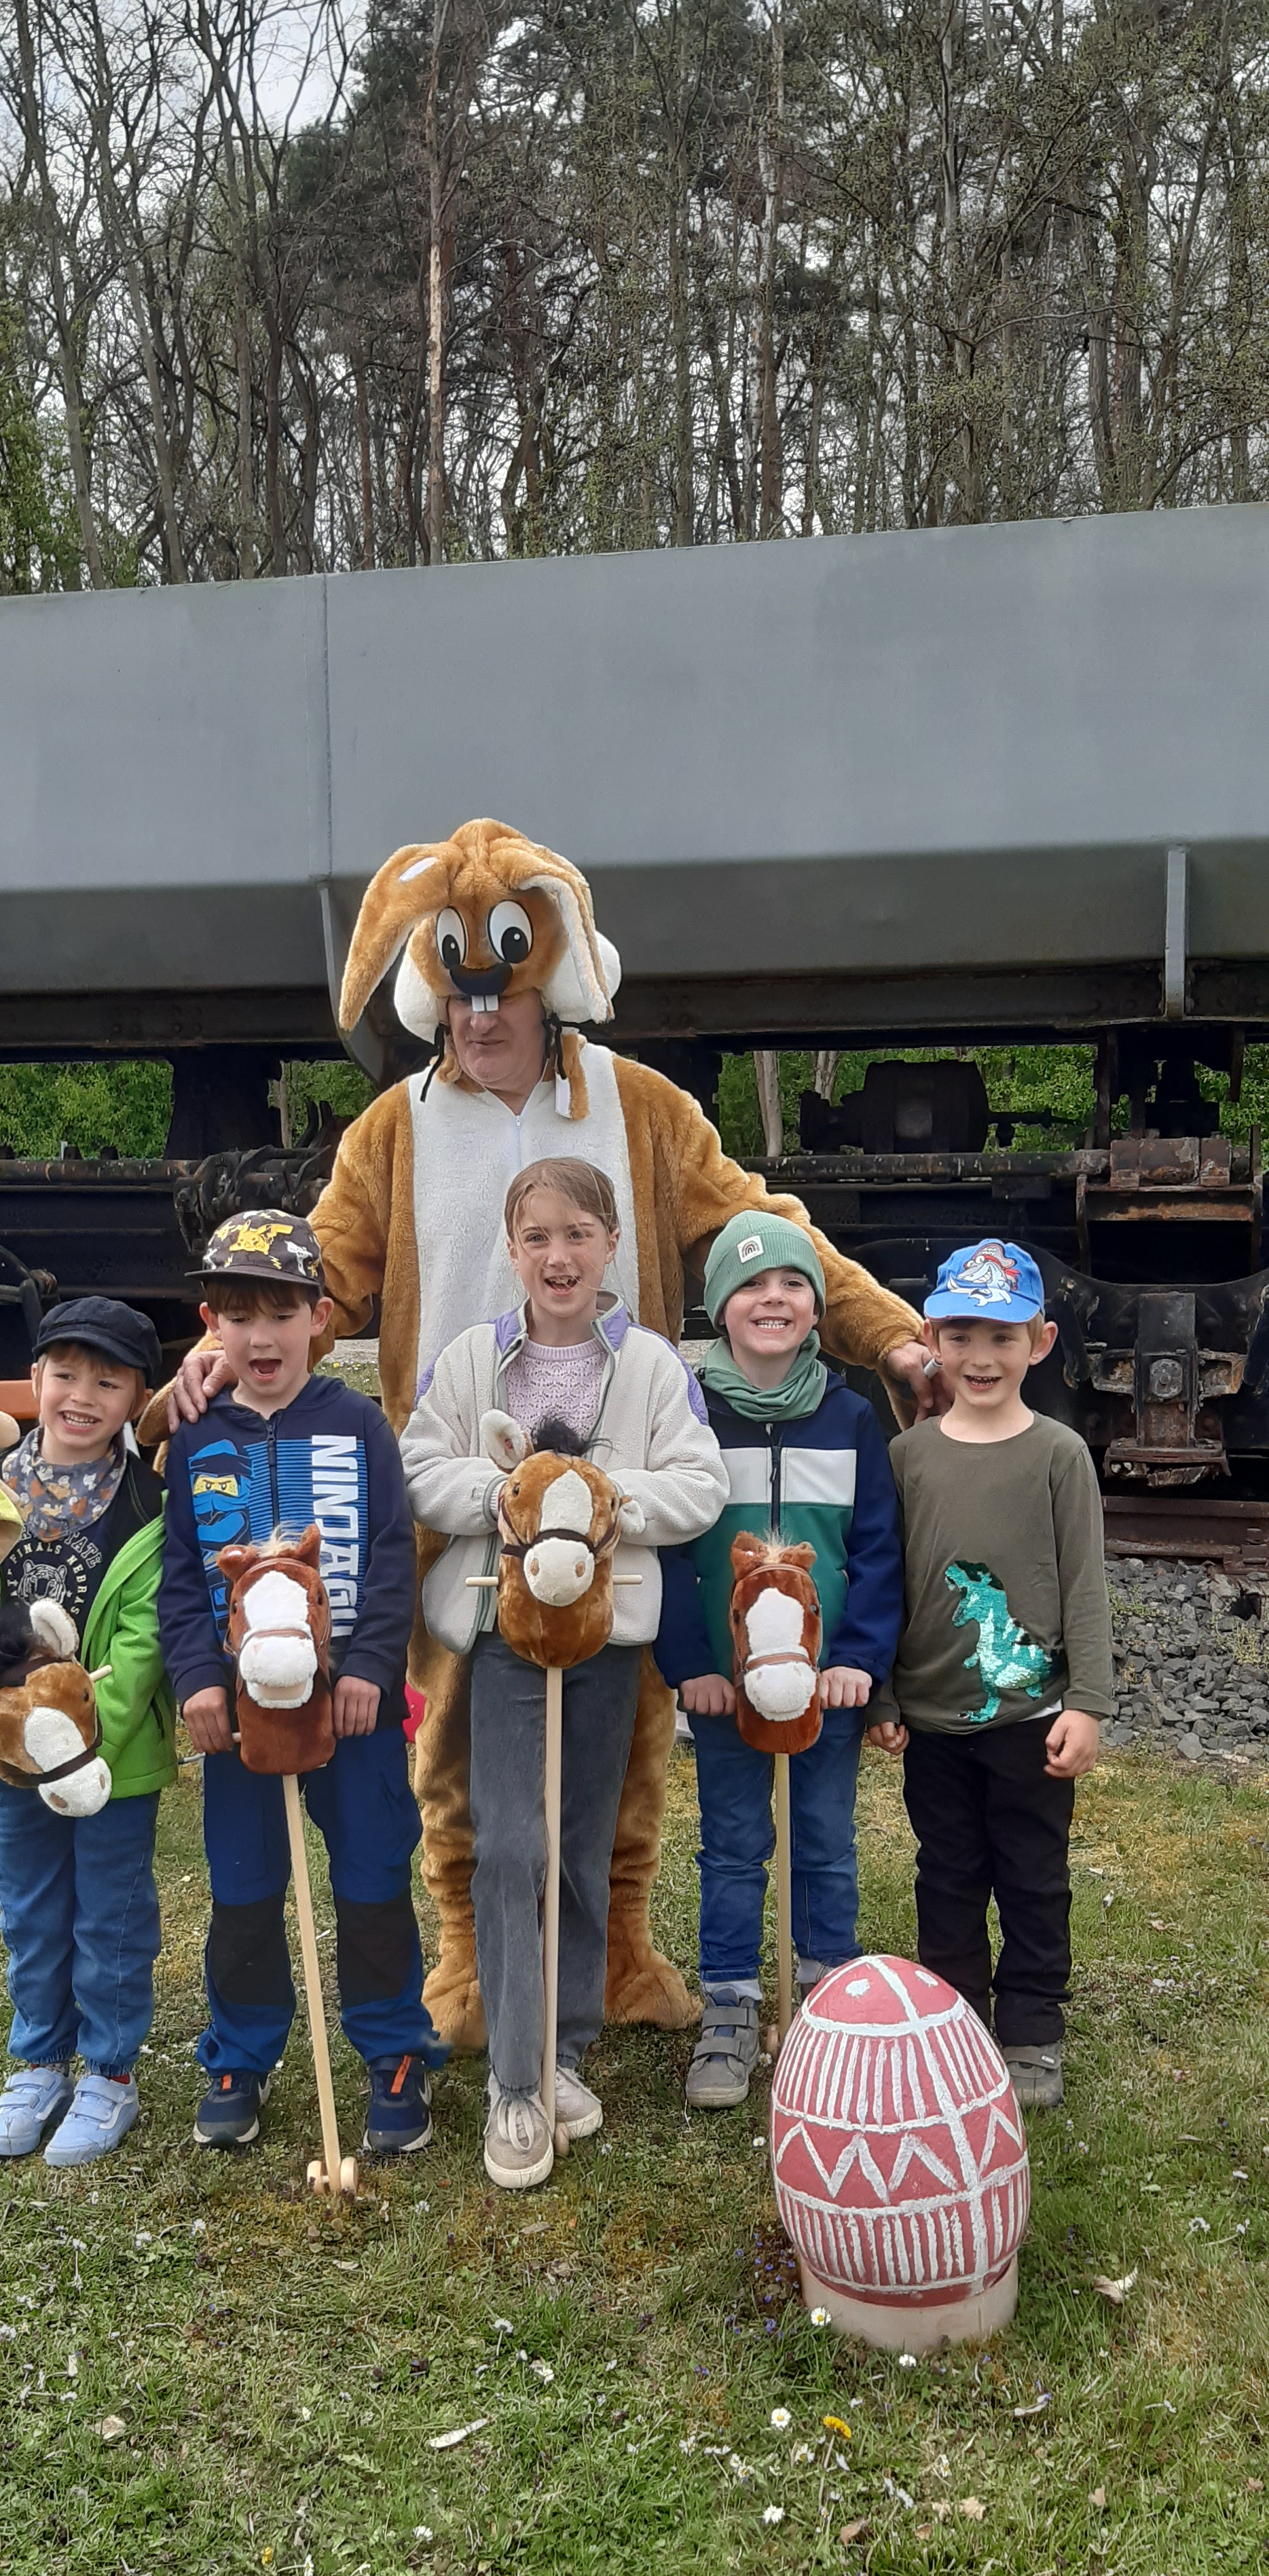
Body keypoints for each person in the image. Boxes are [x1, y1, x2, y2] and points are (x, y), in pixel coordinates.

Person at [146, 816, 941, 2060]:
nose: (480, 1018)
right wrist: (222, 1349)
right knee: (459, 1732)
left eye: (502, 992)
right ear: (431, 994)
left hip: (619, 1480)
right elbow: (323, 1276)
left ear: (546, 979)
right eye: (458, 997)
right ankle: (471, 1951)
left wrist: (886, 1334)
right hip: (460, 1493)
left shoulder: (639, 1106)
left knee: (623, 1730)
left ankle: (615, 1944)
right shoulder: (391, 1130)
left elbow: (760, 1224)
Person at [400, 1159, 729, 2189]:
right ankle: (515, 2079)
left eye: (579, 1234)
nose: (558, 1256)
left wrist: (594, 1501)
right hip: (503, 1635)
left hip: (607, 1637)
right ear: (512, 1249)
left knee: (584, 1843)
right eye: (537, 1237)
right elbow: (421, 1466)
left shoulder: (653, 1369)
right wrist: (513, 1496)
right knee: (509, 1845)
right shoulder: (466, 1360)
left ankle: (566, 2046)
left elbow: (699, 1485)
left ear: (611, 1245)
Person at [155, 1208, 443, 2155]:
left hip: (351, 1714)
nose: (261, 1335)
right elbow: (180, 1578)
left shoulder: (359, 1424)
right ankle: (239, 2050)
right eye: (238, 1315)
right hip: (241, 1718)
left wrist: (370, 1667)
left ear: (321, 1317)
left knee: (370, 1876)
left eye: (280, 1311)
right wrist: (199, 1679)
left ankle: (393, 2050)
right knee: (242, 1888)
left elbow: (394, 1558)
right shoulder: (197, 1440)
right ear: (211, 1324)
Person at [0, 1298, 172, 2168]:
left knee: (110, 1914)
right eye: (65, 1375)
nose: (83, 1396)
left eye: (109, 1380)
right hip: (5, 1753)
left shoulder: (148, 1504)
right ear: (36, 1383)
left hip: (107, 1763)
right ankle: (37, 2063)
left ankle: (109, 2072)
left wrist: (90, 1735)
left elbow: (143, 1640)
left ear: (137, 1396)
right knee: (29, 1911)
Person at [655, 1212, 902, 2104]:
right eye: (752, 1285)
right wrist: (691, 1668)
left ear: (816, 1307)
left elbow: (877, 1549)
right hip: (729, 1688)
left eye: (793, 1284)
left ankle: (824, 1995)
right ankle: (728, 2004)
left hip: (824, 1689)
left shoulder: (850, 1418)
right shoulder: (688, 1416)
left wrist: (862, 1662)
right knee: (731, 1846)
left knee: (827, 1844)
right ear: (720, 1308)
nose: (773, 1298)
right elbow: (671, 1555)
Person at [867, 1238, 1114, 2109]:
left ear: (1039, 1343)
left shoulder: (1058, 1455)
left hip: (1029, 1719)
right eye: (962, 1334)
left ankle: (1034, 2027)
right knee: (948, 1871)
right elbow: (885, 1585)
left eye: (1002, 1337)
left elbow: (1084, 1582)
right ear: (931, 1337)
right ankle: (961, 2020)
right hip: (931, 1723)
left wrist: (1085, 1701)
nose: (980, 1357)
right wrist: (887, 1696)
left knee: (1032, 1871)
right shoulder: (908, 1459)